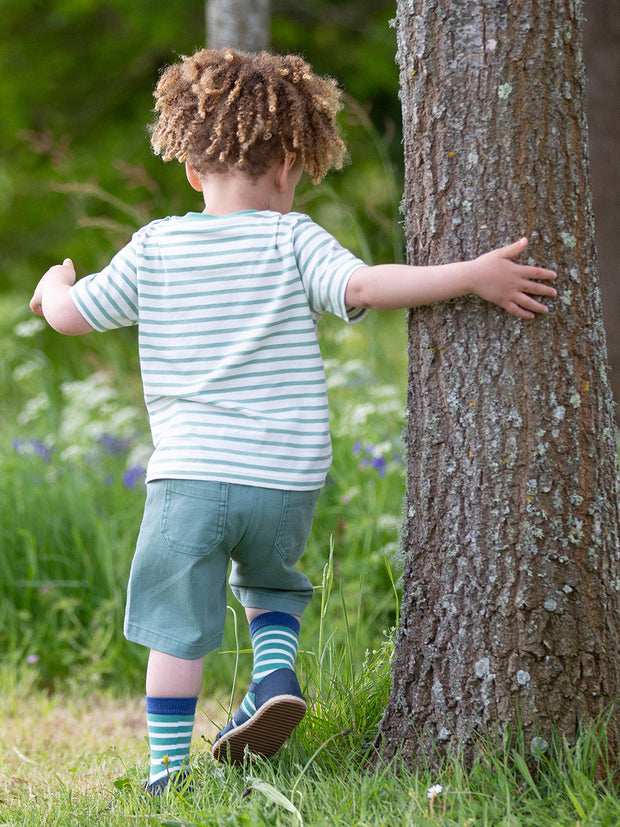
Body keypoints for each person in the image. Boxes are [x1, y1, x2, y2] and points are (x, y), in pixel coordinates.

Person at [30, 47, 557, 794]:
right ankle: (273, 671)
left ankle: (166, 773)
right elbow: (370, 285)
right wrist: (472, 275)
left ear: (190, 171)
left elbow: (71, 319)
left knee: (175, 624)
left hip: (189, 477)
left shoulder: (156, 246)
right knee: (272, 583)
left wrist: (53, 285)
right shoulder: (291, 237)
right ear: (287, 166)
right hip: (285, 477)